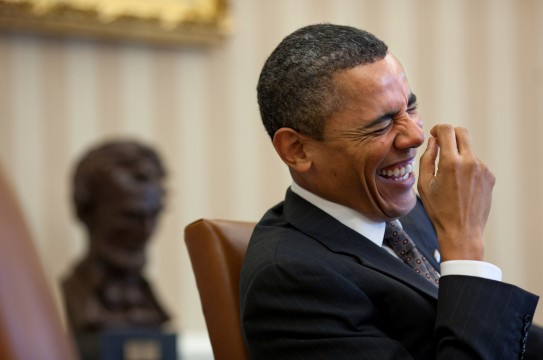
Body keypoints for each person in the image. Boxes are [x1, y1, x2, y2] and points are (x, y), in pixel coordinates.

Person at [239, 23, 542, 359]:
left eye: (410, 108)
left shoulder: (409, 217)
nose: (413, 136)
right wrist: (465, 244)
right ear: (297, 149)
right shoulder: (289, 280)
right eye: (382, 123)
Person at [61, 140, 170, 334]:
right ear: (87, 212)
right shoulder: (68, 297)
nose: (146, 231)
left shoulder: (148, 302)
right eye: (130, 217)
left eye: (153, 216)